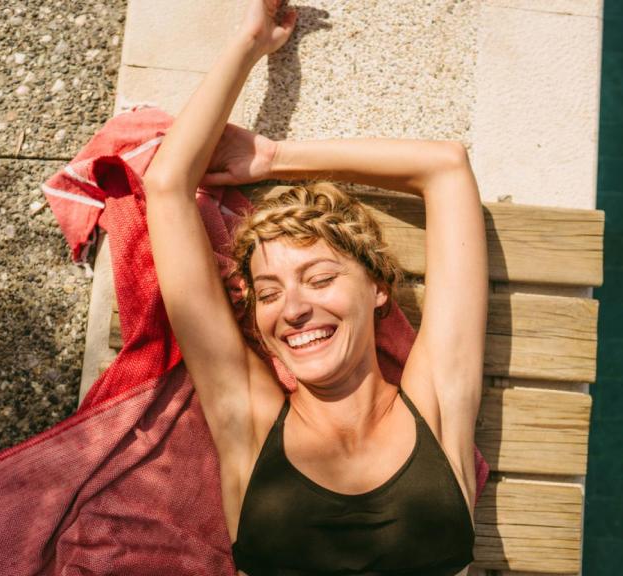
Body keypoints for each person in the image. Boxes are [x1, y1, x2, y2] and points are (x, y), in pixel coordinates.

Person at [143, 0, 487, 574]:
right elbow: (166, 185)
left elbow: (445, 168)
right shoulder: (246, 421)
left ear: (378, 289)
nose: (294, 309)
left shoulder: (439, 402)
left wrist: (275, 159)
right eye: (270, 293)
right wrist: (249, 42)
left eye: (321, 279)